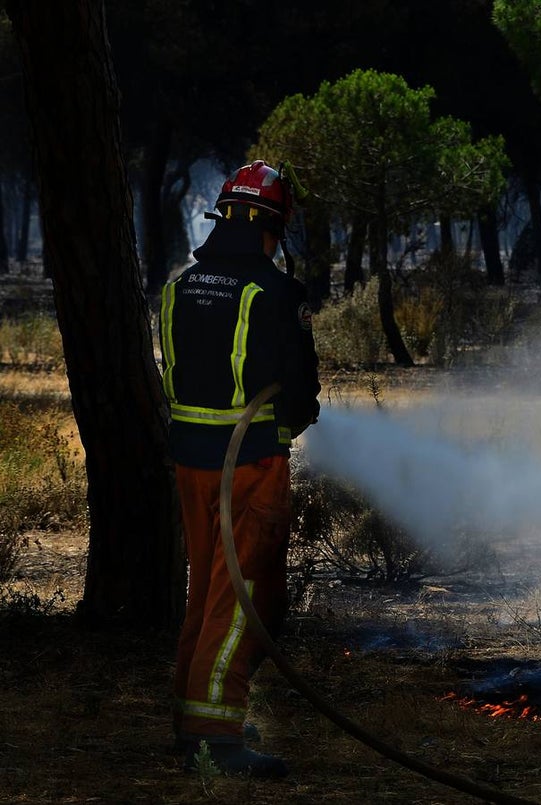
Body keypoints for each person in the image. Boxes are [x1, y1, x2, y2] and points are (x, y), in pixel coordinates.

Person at [160, 160, 320, 778]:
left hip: (191, 465)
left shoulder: (178, 285)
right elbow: (302, 394)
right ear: (268, 228)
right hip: (247, 466)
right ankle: (216, 736)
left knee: (207, 587)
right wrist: (287, 429)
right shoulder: (274, 293)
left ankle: (192, 710)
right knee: (244, 591)